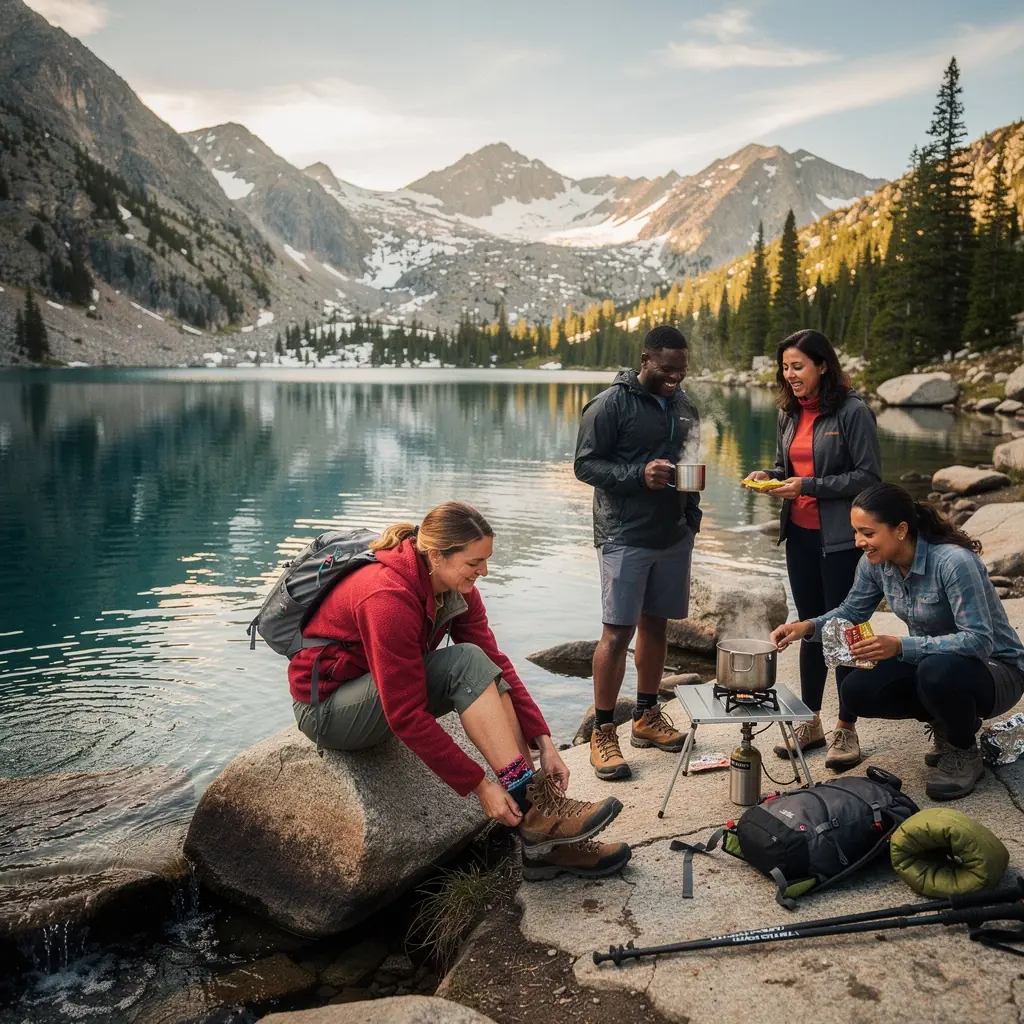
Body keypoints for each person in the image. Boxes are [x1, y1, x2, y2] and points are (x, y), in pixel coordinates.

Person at [289, 501, 630, 881]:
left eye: (486, 560)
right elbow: (404, 715)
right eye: (474, 563)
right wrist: (479, 785)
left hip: (371, 692)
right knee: (465, 662)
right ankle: (536, 819)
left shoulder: (454, 588)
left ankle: (541, 823)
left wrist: (545, 740)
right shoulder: (386, 597)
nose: (483, 571)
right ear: (436, 555)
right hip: (327, 710)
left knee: (481, 665)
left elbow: (495, 663)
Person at [771, 483, 1024, 801]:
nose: (859, 542)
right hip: (935, 664)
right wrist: (805, 626)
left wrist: (902, 646)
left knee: (936, 672)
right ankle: (947, 725)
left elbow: (979, 641)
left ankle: (964, 749)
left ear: (901, 530)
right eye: (856, 532)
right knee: (856, 691)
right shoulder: (875, 565)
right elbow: (851, 611)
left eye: (868, 533)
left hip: (997, 671)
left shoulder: (954, 563)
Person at [744, 329, 881, 771]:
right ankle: (810, 721)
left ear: (823, 365)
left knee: (844, 627)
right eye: (785, 367)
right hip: (800, 537)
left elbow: (867, 477)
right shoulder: (788, 412)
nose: (790, 375)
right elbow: (788, 467)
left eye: (798, 366)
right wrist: (769, 474)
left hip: (842, 540)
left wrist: (809, 487)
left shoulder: (854, 412)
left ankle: (847, 725)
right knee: (809, 626)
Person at [574, 324, 701, 781]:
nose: (676, 378)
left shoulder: (685, 406)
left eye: (682, 370)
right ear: (646, 359)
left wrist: (692, 521)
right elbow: (584, 464)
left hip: (672, 535)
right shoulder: (611, 404)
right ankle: (603, 731)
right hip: (623, 534)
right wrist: (637, 475)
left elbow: (691, 465)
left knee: (658, 623)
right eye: (668, 369)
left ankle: (646, 717)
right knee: (616, 631)